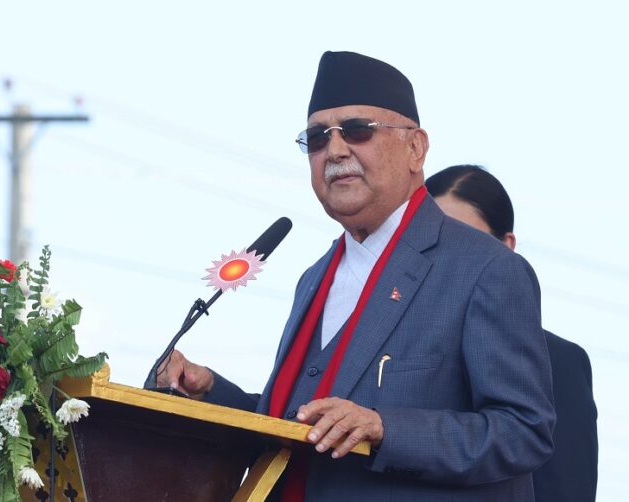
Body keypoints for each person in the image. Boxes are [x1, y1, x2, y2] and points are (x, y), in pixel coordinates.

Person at [158, 51, 555, 500]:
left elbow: (523, 431)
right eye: (317, 138)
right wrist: (212, 392)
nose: (335, 150)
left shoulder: (484, 268)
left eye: (357, 130)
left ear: (416, 148)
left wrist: (385, 429)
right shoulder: (315, 277)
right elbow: (305, 427)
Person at [426, 164, 598, 502]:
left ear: (506, 247)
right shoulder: (384, 350)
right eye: (431, 243)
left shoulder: (557, 360)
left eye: (466, 243)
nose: (445, 260)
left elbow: (567, 489)